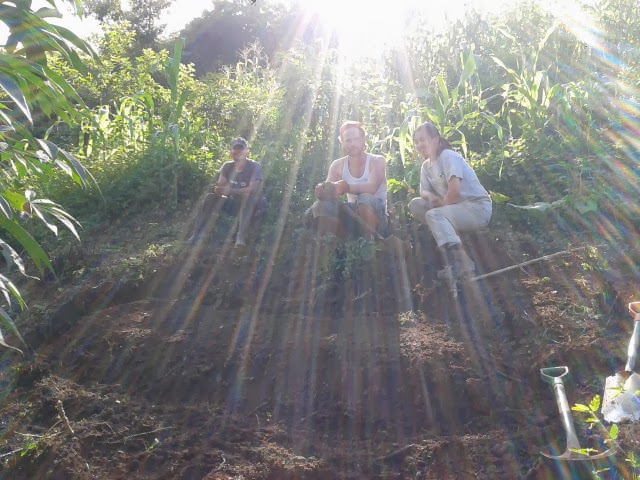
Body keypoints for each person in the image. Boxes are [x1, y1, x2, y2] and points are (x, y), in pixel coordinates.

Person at [408, 122, 492, 278]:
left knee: (434, 215)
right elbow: (423, 191)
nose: (419, 145)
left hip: (477, 208)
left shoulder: (448, 156)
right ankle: (446, 232)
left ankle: (462, 261)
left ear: (435, 140)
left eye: (422, 140)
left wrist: (440, 209)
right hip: (455, 208)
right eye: (416, 141)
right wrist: (432, 197)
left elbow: (454, 191)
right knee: (415, 204)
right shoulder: (426, 166)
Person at [306, 121, 388, 239]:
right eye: (348, 140)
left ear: (363, 140)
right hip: (353, 216)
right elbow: (330, 188)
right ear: (342, 144)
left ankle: (370, 242)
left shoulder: (377, 160)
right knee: (319, 206)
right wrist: (322, 189)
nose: (353, 144)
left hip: (378, 218)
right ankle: (348, 243)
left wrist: (346, 187)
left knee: (364, 198)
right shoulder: (337, 165)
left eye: (356, 139)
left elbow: (372, 187)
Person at [187, 137, 266, 248]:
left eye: (241, 149)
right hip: (233, 202)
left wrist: (231, 190)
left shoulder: (255, 166)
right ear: (230, 153)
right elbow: (220, 186)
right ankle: (197, 235)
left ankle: (240, 238)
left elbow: (252, 189)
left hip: (253, 205)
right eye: (235, 149)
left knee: (247, 197)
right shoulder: (227, 166)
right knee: (209, 198)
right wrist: (218, 190)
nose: (238, 152)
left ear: (247, 153)